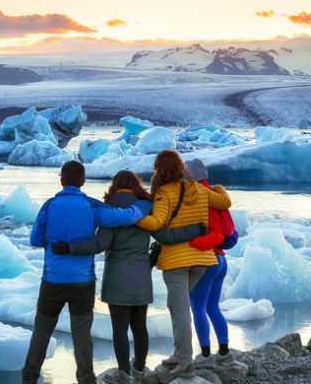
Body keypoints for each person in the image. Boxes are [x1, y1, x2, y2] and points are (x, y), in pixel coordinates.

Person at [50, 170, 205, 384]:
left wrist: (69, 247)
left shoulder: (112, 211)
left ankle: (124, 373)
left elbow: (98, 244)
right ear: (136, 186)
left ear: (115, 186)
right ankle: (139, 369)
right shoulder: (146, 210)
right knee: (139, 326)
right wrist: (196, 228)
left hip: (116, 279)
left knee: (120, 328)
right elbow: (167, 236)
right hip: (141, 275)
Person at [22, 161, 148, 384]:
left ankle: (29, 377)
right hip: (82, 282)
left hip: (53, 279)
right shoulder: (91, 206)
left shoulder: (49, 206)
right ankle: (86, 378)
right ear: (83, 181)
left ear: (61, 181)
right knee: (81, 332)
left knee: (42, 330)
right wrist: (145, 205)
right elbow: (126, 216)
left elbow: (35, 239)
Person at [135, 150, 231, 379]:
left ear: (160, 169)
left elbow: (156, 222)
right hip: (202, 260)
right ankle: (179, 354)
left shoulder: (164, 193)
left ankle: (186, 363)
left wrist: (132, 216)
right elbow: (224, 201)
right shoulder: (199, 188)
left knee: (181, 311)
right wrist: (217, 187)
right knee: (173, 305)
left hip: (177, 261)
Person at [154, 159, 237, 367]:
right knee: (213, 306)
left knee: (197, 307)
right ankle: (224, 351)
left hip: (207, 258)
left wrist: (192, 241)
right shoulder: (216, 195)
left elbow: (214, 233)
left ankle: (206, 356)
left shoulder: (197, 196)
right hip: (221, 260)